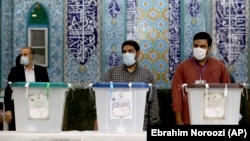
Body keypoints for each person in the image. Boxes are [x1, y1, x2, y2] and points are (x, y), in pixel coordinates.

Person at [94, 40, 160, 130]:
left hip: (140, 125)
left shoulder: (147, 75)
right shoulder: (112, 73)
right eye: (124, 52)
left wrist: (153, 125)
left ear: (138, 53)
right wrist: (99, 120)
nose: (127, 54)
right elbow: (103, 99)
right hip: (116, 124)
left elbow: (153, 103)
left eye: (130, 51)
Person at [171, 32, 231, 125]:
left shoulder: (219, 66)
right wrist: (179, 121)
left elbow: (227, 94)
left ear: (209, 48)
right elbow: (177, 96)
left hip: (214, 120)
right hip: (188, 120)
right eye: (196, 46)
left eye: (202, 46)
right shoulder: (182, 67)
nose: (198, 49)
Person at [4, 47, 49, 130]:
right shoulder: (15, 71)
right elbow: (8, 90)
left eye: (25, 54)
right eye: (21, 54)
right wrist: (8, 109)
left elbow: (47, 89)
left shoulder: (41, 71)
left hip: (36, 107)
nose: (22, 57)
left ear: (32, 56)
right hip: (18, 107)